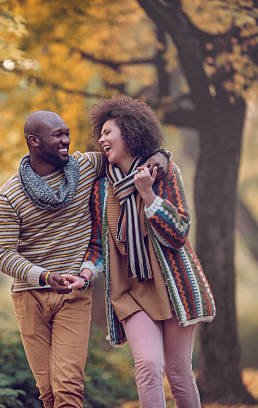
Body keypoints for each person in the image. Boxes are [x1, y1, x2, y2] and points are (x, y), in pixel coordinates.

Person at [0, 110, 168, 408]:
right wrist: (44, 276)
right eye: (57, 135)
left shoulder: (85, 166)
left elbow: (127, 153)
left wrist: (161, 155)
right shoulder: (8, 196)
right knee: (48, 391)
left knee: (69, 388)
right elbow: (2, 254)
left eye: (67, 133)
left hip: (74, 293)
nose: (66, 140)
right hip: (29, 297)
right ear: (33, 141)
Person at [78, 95, 216, 408]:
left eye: (108, 132)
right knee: (148, 366)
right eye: (100, 133)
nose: (101, 138)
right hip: (131, 293)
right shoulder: (101, 189)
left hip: (173, 287)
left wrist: (148, 194)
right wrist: (86, 272)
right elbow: (99, 245)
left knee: (179, 371)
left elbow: (179, 232)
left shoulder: (165, 174)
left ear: (130, 132)